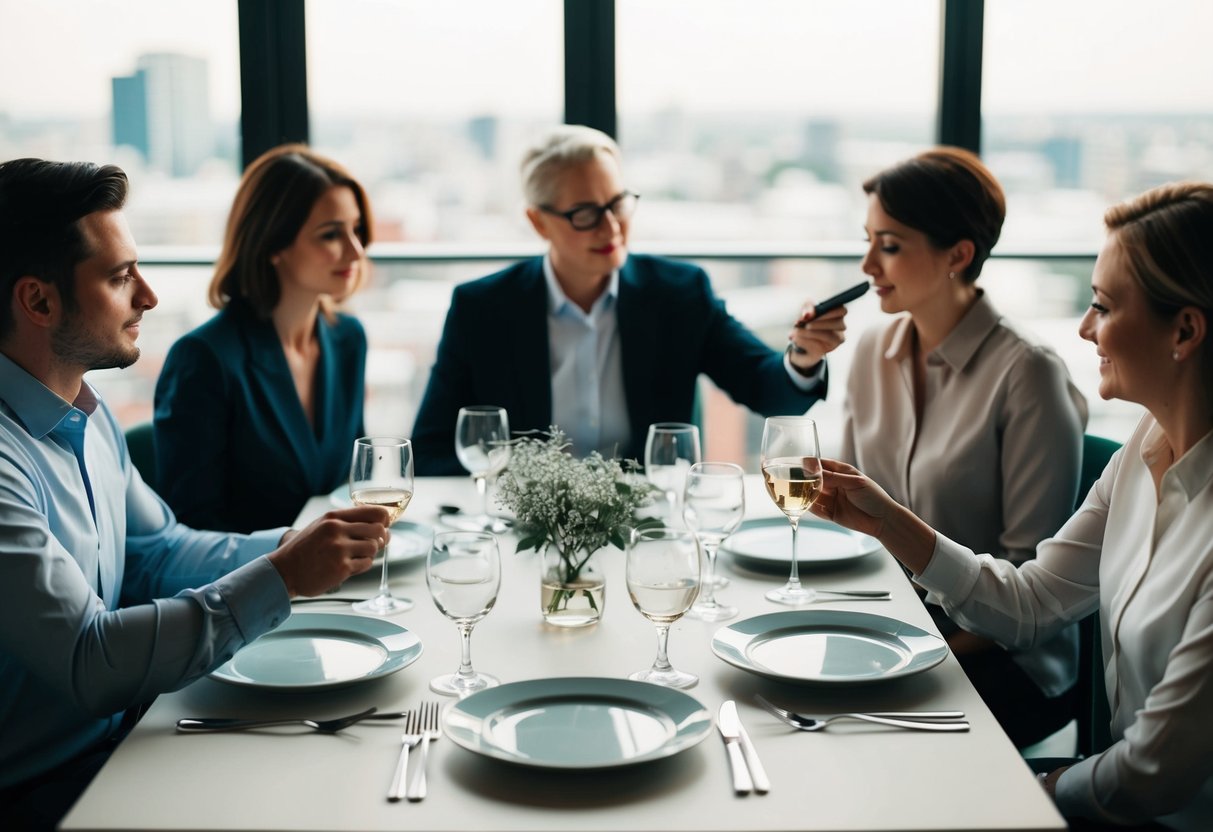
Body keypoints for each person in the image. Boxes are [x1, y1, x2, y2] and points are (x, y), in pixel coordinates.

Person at [0, 158, 388, 829]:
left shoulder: (89, 421)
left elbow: (161, 549)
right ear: (38, 301)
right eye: (121, 278)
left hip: (131, 739)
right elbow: (90, 661)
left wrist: (292, 546)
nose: (148, 297)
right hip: (44, 789)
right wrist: (283, 576)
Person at [815, 182, 1213, 830]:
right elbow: (1030, 603)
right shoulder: (1142, 449)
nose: (1084, 329)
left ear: (1185, 330)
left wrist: (1034, 788)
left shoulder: (1028, 372)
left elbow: (1151, 773)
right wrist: (888, 520)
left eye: (1103, 306)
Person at [410, 124, 847, 475]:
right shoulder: (483, 308)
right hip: (524, 526)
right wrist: (506, 478)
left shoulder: (678, 292)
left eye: (618, 203)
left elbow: (767, 389)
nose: (611, 227)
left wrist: (803, 357)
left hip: (651, 523)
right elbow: (430, 450)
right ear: (538, 222)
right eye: (585, 214)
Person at [840, 147, 1089, 748]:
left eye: (891, 245)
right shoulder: (873, 351)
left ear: (958, 254)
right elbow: (849, 518)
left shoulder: (1028, 374)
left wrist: (906, 651)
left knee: (844, 730)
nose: (868, 262)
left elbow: (1029, 584)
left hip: (1005, 660)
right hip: (900, 630)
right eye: (869, 239)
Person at [154, 144, 372, 532]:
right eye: (330, 235)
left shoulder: (348, 339)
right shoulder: (204, 359)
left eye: (356, 230)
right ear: (273, 244)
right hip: (250, 585)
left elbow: (352, 483)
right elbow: (190, 529)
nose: (356, 251)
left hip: (343, 579)